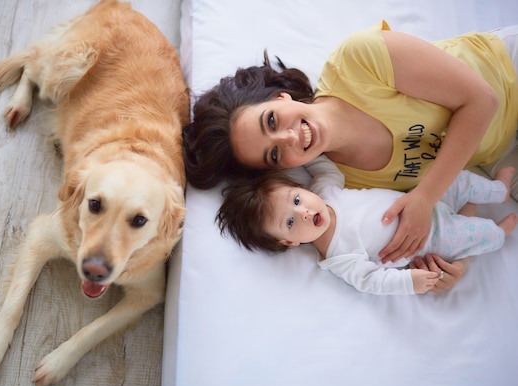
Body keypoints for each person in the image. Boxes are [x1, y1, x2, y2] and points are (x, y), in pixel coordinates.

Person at [183, 22, 518, 284]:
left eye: (271, 120)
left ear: (280, 98)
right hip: (500, 159)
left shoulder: (359, 59)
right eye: (273, 155)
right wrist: (459, 260)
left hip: (507, 72)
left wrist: (424, 197)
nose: (288, 137)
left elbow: (482, 100)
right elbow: (449, 200)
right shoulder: (349, 189)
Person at [216, 156, 517, 295]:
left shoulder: (325, 192)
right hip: (433, 236)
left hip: (422, 201)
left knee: (460, 179)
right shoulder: (338, 257)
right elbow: (372, 281)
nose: (305, 212)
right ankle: (499, 232)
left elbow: (322, 164)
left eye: (297, 199)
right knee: (477, 234)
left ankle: (498, 190)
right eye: (291, 222)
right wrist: (408, 281)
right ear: (289, 242)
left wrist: (297, 155)